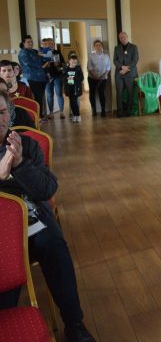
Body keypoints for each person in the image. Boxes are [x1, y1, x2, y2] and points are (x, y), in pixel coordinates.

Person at [0, 90, 96, 341]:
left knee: (53, 244)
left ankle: (74, 323)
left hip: (30, 218)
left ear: (9, 114)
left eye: (2, 112)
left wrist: (19, 163)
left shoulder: (26, 145)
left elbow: (47, 189)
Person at [18, 35, 48, 118]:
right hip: (32, 78)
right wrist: (42, 66)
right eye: (28, 42)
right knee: (36, 98)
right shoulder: (23, 52)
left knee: (40, 98)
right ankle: (38, 117)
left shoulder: (34, 51)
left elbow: (43, 59)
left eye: (31, 41)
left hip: (41, 78)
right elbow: (28, 63)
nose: (31, 43)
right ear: (23, 43)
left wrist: (46, 58)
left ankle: (40, 115)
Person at [113, 31, 139, 117]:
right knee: (119, 93)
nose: (123, 39)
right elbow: (115, 60)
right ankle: (120, 112)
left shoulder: (134, 47)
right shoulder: (117, 48)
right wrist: (121, 67)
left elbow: (135, 60)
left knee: (130, 93)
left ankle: (129, 111)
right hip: (119, 73)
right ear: (119, 39)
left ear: (127, 37)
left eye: (124, 37)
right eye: (121, 38)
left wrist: (126, 69)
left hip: (131, 73)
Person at [87, 40, 111, 117]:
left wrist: (103, 76)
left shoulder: (106, 56)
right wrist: (96, 77)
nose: (98, 47)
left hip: (103, 78)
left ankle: (103, 110)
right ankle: (94, 110)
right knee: (92, 94)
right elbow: (89, 68)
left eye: (99, 45)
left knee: (101, 93)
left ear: (102, 46)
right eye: (96, 45)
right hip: (92, 78)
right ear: (94, 47)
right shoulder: (91, 56)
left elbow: (108, 68)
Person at [44, 39, 65, 119]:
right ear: (46, 45)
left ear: (54, 44)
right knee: (49, 95)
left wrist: (58, 64)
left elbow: (63, 64)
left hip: (57, 76)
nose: (50, 45)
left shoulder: (57, 52)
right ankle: (51, 112)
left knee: (59, 94)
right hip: (47, 77)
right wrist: (46, 64)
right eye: (49, 44)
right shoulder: (44, 53)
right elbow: (41, 66)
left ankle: (61, 112)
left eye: (52, 44)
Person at [63, 55, 84, 123]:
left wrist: (73, 78)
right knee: (71, 102)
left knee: (74, 102)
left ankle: (78, 115)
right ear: (69, 61)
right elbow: (63, 77)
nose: (74, 63)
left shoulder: (78, 69)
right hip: (69, 88)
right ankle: (75, 115)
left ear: (77, 62)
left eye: (75, 62)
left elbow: (81, 78)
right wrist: (67, 78)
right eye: (72, 61)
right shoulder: (66, 69)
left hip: (76, 88)